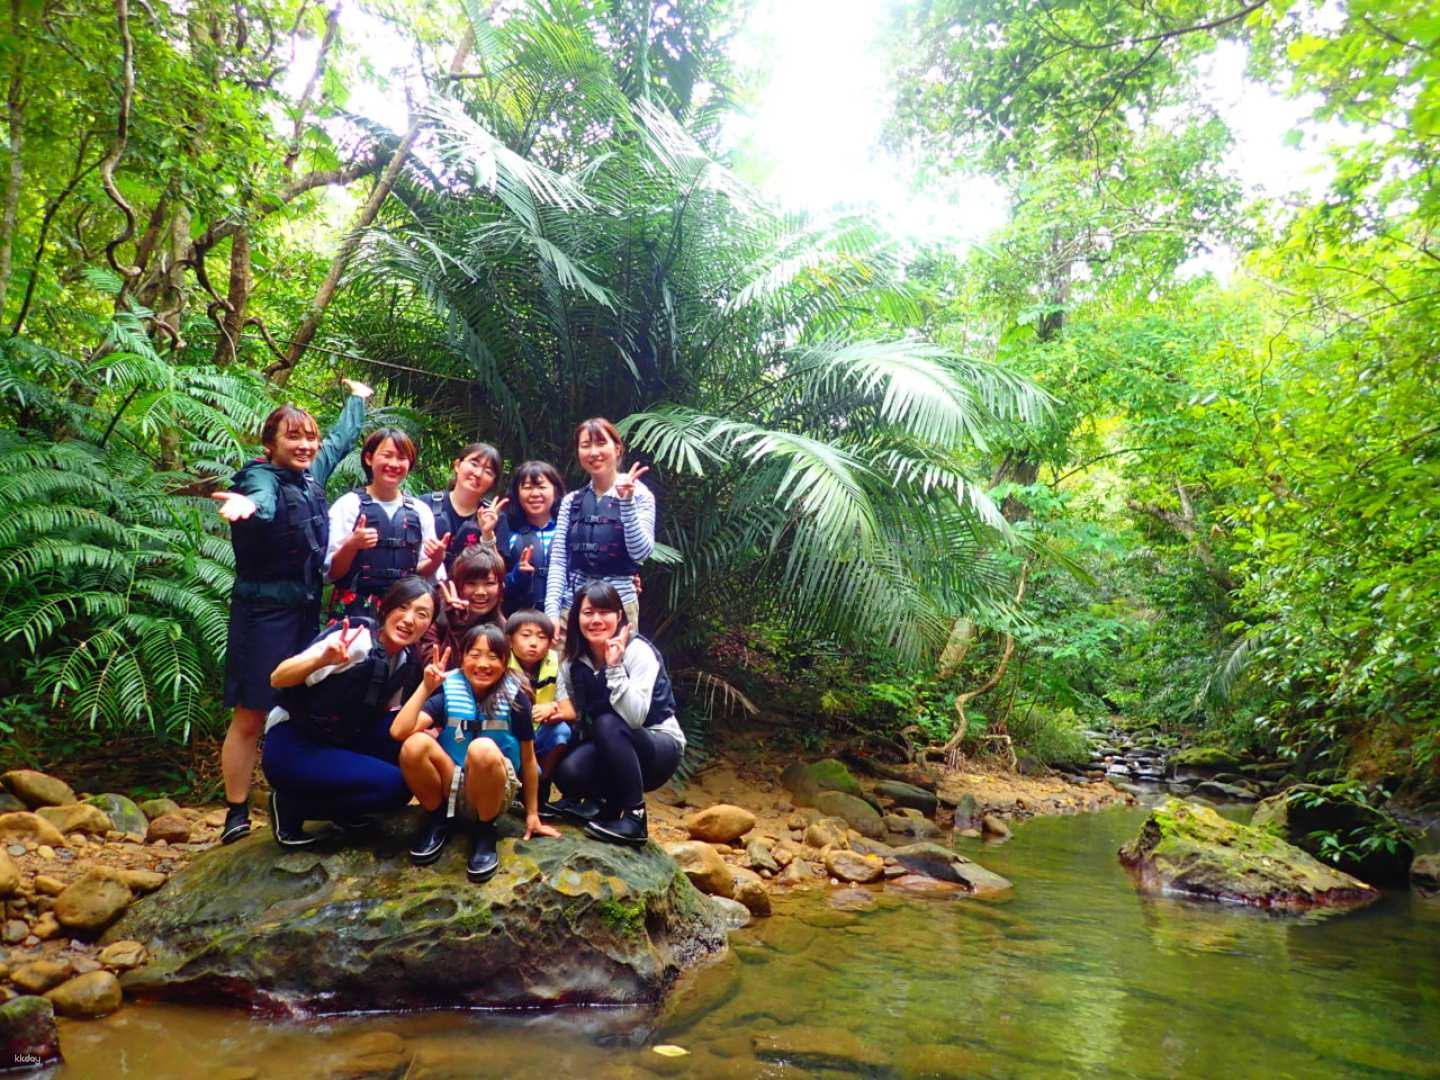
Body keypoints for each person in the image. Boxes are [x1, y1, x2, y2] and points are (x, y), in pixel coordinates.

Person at [211, 378, 371, 845]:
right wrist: (246, 504)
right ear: (269, 444)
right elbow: (259, 500)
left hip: (305, 612)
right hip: (262, 614)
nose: (305, 445)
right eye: (293, 437)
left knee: (304, 708)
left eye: (309, 437)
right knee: (251, 714)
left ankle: (296, 799)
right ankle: (236, 812)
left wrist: (357, 401)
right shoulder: (259, 476)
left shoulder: (310, 474)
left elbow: (341, 441)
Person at [260, 576, 437, 848]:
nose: (409, 619)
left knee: (405, 746)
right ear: (386, 607)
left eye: (421, 614)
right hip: (292, 742)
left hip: (337, 738)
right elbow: (277, 677)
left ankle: (344, 808)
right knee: (395, 787)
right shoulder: (356, 640)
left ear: (429, 625)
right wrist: (322, 659)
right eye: (403, 607)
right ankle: (292, 805)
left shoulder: (403, 660)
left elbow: (391, 723)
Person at [392, 624, 561, 881]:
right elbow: (399, 731)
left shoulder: (516, 699)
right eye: (475, 655)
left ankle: (485, 832)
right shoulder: (449, 689)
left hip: (494, 792)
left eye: (493, 656)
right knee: (413, 744)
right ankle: (438, 821)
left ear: (505, 661)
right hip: (452, 787)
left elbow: (528, 760)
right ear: (463, 657)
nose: (483, 664)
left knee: (481, 748)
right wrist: (426, 687)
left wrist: (532, 814)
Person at [548, 581, 684, 846]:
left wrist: (614, 667)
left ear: (619, 616)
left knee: (608, 723)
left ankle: (635, 817)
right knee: (569, 773)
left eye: (604, 612)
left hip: (657, 747)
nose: (596, 620)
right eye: (588, 613)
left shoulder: (638, 652)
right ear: (576, 617)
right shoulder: (573, 662)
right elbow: (574, 715)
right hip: (608, 745)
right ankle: (601, 807)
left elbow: (635, 718)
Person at [544, 418, 655, 631]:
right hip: (574, 605)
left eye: (601, 443)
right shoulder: (572, 501)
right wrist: (552, 611)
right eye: (586, 445)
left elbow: (640, 553)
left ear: (617, 448)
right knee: (566, 665)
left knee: (616, 665)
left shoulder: (641, 495)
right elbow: (558, 560)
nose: (594, 452)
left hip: (619, 606)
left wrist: (627, 502)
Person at [326, 427, 445, 618]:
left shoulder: (420, 511)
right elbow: (332, 573)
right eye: (387, 455)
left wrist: (437, 558)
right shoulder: (348, 505)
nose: (394, 464)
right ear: (368, 458)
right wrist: (352, 544)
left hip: (402, 611)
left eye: (402, 458)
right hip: (353, 609)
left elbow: (421, 572)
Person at [479, 460, 564, 616]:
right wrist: (519, 574)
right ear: (517, 494)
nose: (535, 494)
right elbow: (496, 581)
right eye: (527, 488)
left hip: (563, 618)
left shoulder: (569, 529)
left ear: (556, 491)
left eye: (542, 487)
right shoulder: (508, 530)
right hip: (518, 620)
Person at [505, 610, 569, 803]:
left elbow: (571, 710)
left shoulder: (555, 664)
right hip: (507, 733)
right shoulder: (499, 661)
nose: (533, 643)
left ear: (550, 643)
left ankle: (541, 783)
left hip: (538, 732)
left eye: (542, 637)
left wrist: (553, 707)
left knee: (562, 731)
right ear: (509, 640)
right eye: (525, 636)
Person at [422, 443, 502, 573]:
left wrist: (487, 534)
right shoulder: (425, 504)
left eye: (488, 471)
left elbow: (499, 572)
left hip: (473, 591)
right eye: (474, 464)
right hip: (426, 588)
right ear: (458, 465)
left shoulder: (495, 516)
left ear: (493, 482)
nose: (478, 474)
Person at [422, 547, 506, 659]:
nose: (480, 592)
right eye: (471, 583)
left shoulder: (504, 627)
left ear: (501, 587)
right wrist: (456, 626)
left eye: (489, 583)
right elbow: (436, 670)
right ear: (456, 585)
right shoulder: (433, 620)